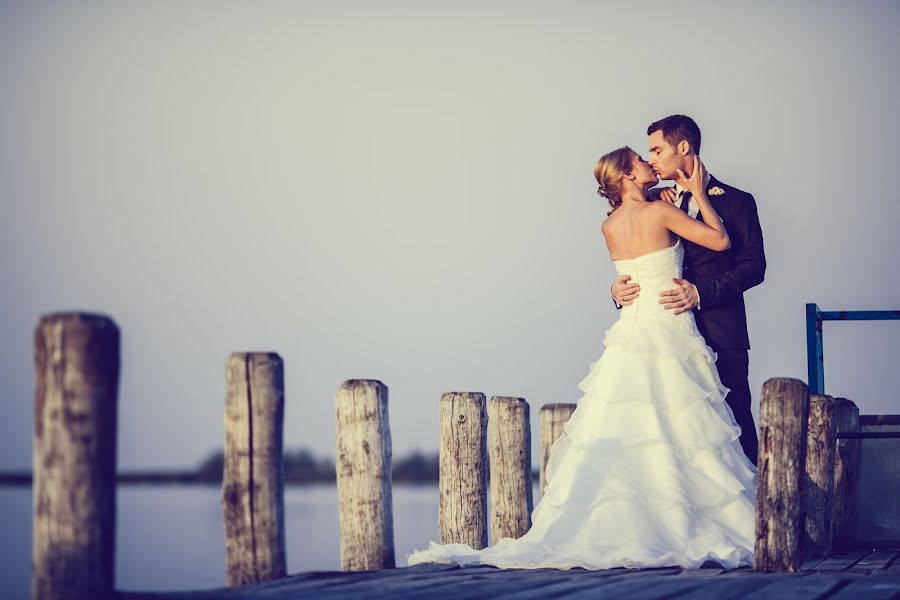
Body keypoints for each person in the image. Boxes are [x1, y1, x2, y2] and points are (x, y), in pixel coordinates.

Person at [405, 146, 756, 570]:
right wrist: (698, 192)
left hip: (630, 332)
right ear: (627, 174)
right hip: (667, 329)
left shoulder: (609, 225)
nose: (650, 164)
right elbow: (719, 240)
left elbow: (630, 277)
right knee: (678, 427)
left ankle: (627, 522)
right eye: (642, 161)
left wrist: (615, 290)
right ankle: (680, 519)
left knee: (632, 428)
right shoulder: (659, 214)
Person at [612, 115, 765, 467]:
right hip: (668, 340)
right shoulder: (654, 203)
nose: (651, 159)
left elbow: (754, 267)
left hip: (720, 332)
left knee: (735, 429)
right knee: (672, 437)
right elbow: (644, 262)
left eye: (657, 150)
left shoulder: (737, 202)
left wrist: (701, 293)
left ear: (683, 147)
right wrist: (617, 289)